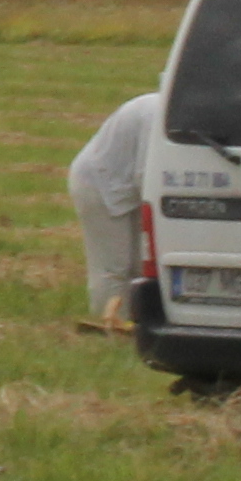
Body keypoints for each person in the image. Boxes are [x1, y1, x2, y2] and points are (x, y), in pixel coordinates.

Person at [66, 89, 160, 324]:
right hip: (97, 183)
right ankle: (108, 323)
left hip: (125, 187)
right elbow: (144, 175)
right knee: (113, 267)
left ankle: (134, 322)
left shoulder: (162, 110)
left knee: (139, 263)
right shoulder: (156, 114)